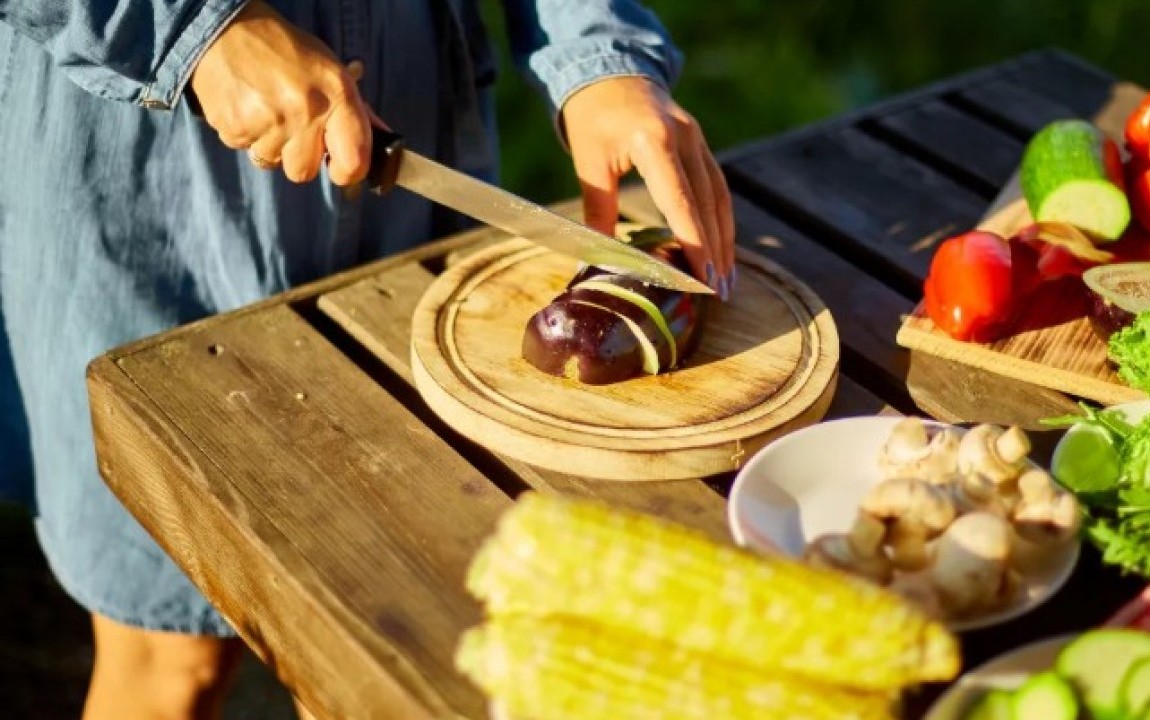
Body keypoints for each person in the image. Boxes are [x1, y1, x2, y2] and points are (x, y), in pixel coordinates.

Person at [0, 0, 734, 717]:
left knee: (372, 641)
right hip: (145, 182)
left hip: (401, 118)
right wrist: (193, 25)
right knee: (170, 657)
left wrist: (598, 52)